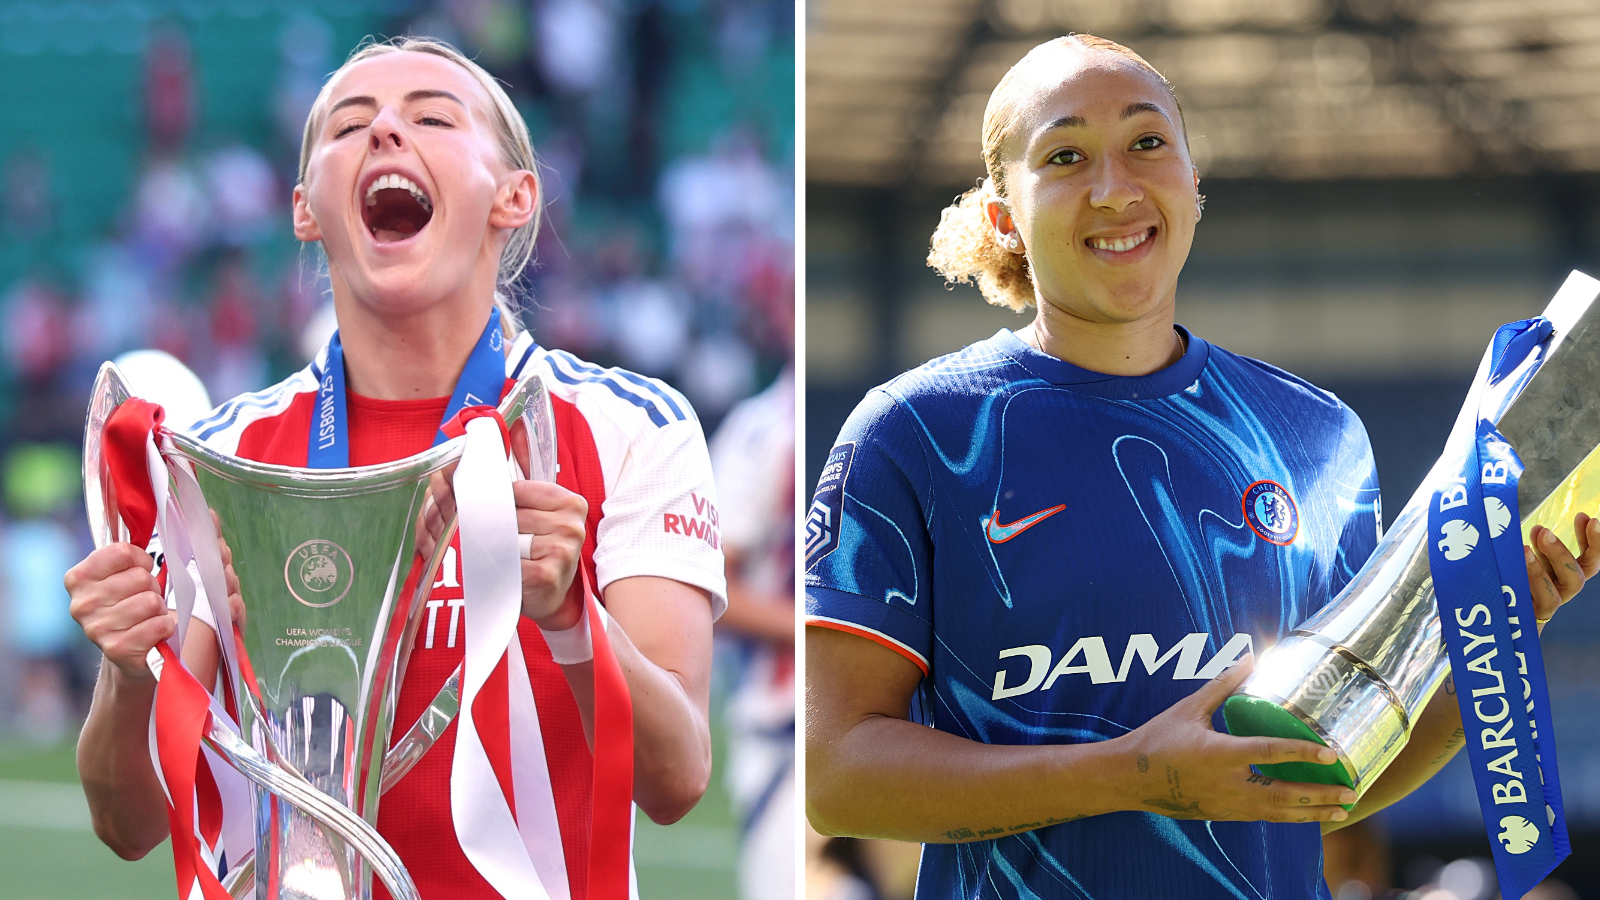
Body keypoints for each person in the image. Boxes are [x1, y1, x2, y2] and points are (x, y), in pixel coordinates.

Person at [802, 34, 1600, 900]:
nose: (1115, 188)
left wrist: (1503, 621)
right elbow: (837, 775)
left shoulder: (1319, 436)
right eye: (1066, 156)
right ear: (1004, 218)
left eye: (1147, 142)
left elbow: (1329, 778)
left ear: (1191, 181)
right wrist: (1133, 774)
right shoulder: (915, 434)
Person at [65, 37, 726, 900]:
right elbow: (129, 826)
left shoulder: (629, 427)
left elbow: (677, 778)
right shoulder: (219, 459)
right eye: (349, 126)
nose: (383, 131)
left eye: (433, 118)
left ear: (515, 196)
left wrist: (573, 620)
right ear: (305, 209)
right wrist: (128, 673)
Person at [709, 365, 796, 900]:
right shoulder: (763, 427)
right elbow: (710, 585)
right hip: (783, 733)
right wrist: (817, 631)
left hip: (875, 723)